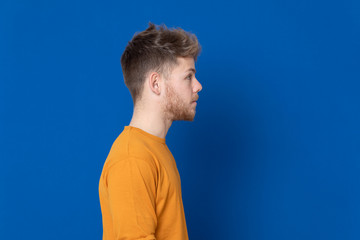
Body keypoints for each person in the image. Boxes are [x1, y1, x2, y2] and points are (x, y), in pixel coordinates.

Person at [98, 22, 203, 240]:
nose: (198, 86)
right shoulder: (133, 158)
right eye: (188, 76)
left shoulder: (153, 150)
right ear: (156, 84)